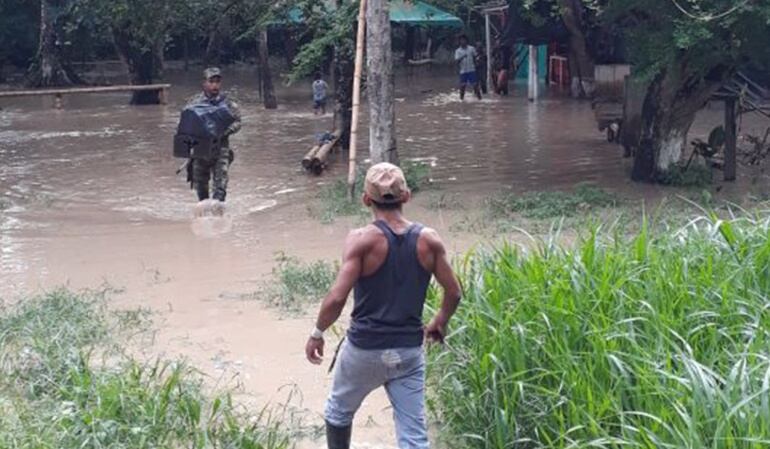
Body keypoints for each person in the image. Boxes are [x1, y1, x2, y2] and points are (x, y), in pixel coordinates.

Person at [305, 163, 462, 449]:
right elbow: (454, 292)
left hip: (364, 350)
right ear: (407, 196)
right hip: (408, 352)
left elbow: (337, 298)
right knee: (413, 436)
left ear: (366, 200)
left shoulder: (361, 240)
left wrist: (317, 333)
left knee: (338, 412)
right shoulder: (429, 240)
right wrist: (440, 320)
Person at [185, 67, 242, 202]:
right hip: (200, 152)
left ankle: (219, 220)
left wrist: (223, 132)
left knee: (220, 190)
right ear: (204, 83)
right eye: (211, 81)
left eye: (217, 82)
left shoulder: (227, 103)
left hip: (221, 149)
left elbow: (238, 122)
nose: (214, 85)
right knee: (201, 191)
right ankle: (204, 221)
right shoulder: (194, 103)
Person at [454, 35, 482, 101]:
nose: (463, 41)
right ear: (459, 41)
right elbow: (456, 61)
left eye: (464, 40)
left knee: (475, 85)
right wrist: (462, 57)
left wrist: (478, 62)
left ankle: (480, 99)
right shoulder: (458, 51)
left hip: (471, 70)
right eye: (461, 40)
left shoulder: (471, 48)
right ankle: (461, 99)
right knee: (462, 86)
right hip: (463, 71)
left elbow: (475, 56)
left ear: (467, 41)